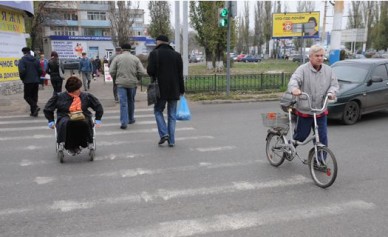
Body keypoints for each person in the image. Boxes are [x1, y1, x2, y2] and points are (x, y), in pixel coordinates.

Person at [288, 45, 339, 149]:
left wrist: (331, 93)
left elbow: (334, 85)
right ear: (310, 57)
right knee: (301, 136)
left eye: (322, 55)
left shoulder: (328, 70)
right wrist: (294, 89)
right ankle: (290, 147)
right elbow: (294, 80)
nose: (320, 58)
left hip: (320, 110)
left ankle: (320, 163)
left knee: (322, 137)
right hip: (305, 110)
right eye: (317, 56)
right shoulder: (302, 69)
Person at [44, 76, 103, 156]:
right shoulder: (59, 97)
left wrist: (98, 119)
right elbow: (48, 109)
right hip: (65, 116)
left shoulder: (86, 96)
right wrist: (50, 120)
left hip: (83, 115)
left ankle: (86, 142)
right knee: (67, 123)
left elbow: (98, 106)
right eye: (78, 89)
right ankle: (69, 146)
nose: (79, 90)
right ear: (72, 90)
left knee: (84, 122)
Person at [147, 35, 185, 147]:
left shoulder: (154, 54)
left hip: (160, 89)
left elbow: (150, 71)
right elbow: (180, 75)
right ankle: (172, 140)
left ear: (159, 42)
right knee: (172, 115)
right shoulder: (177, 55)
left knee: (158, 111)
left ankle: (164, 133)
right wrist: (182, 90)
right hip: (174, 89)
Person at [110, 43, 147, 129]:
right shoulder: (135, 59)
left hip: (121, 83)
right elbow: (142, 72)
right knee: (131, 101)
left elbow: (111, 71)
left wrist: (116, 78)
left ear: (122, 49)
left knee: (123, 102)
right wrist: (137, 78)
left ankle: (124, 122)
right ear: (130, 50)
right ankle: (131, 118)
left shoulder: (117, 58)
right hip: (132, 84)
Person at [18, 47, 42, 117]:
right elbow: (40, 70)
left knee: (27, 96)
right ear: (29, 51)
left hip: (28, 81)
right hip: (36, 80)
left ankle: (35, 106)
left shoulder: (22, 60)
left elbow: (21, 71)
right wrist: (37, 77)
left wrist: (23, 78)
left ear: (24, 52)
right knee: (34, 96)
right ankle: (34, 112)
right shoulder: (36, 59)